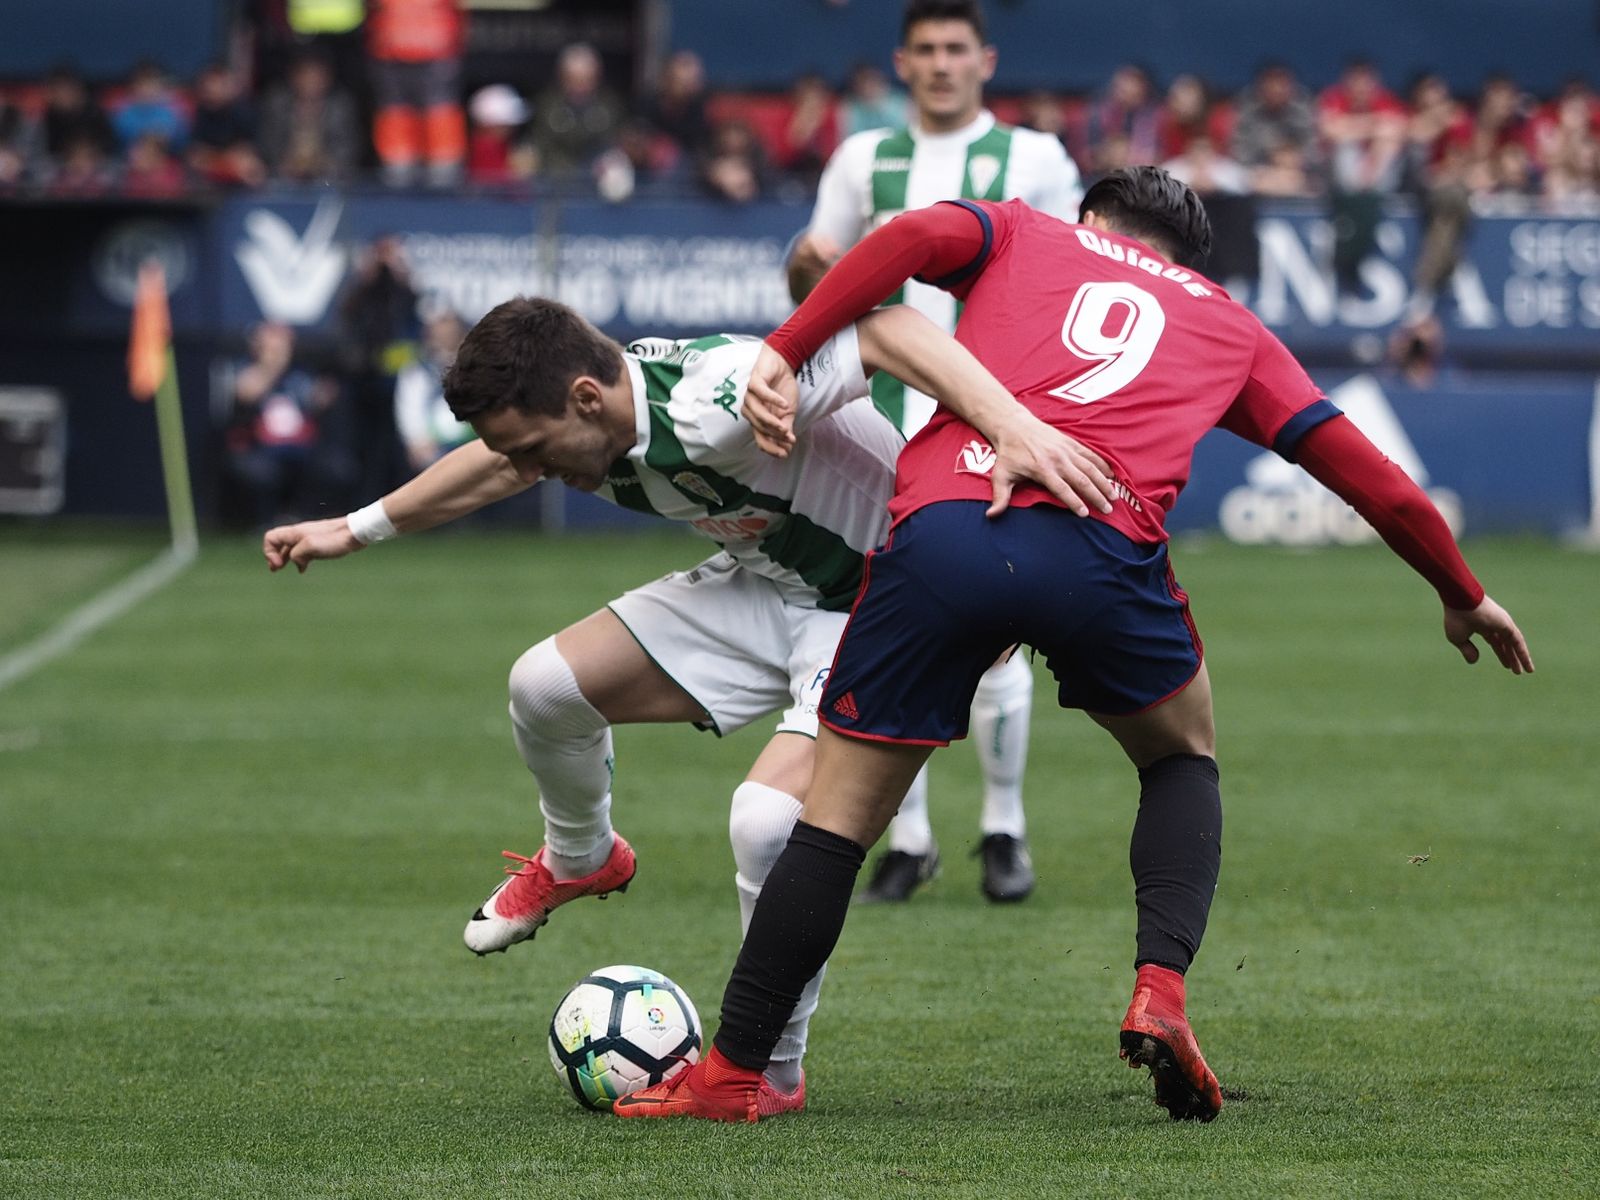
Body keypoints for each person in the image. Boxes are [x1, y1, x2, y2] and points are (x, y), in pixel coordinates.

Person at [607, 167, 1533, 1125]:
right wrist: (1460, 594)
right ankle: (1159, 993)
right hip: (1102, 544)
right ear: (1186, 257)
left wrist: (789, 346)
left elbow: (904, 243)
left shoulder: (1021, 231)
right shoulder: (1230, 325)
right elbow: (1372, 479)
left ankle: (732, 1073)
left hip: (948, 530)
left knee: (836, 820)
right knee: (1181, 756)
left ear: (1091, 221)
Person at [261, 296, 1114, 1117]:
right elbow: (491, 462)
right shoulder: (591, 421)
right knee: (544, 687)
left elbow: (888, 330)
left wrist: (1012, 431)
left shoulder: (722, 396)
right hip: (775, 583)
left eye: (532, 449)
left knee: (765, 823)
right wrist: (356, 528)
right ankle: (581, 856)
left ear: (585, 398)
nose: (526, 470)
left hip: (884, 607)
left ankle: (768, 1072)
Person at [784, 0, 1084, 905]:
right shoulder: (861, 158)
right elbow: (816, 279)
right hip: (874, 426)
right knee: (885, 630)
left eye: (958, 48)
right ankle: (908, 841)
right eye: (927, 50)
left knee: (997, 636)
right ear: (902, 63)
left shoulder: (1036, 158)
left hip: (991, 424)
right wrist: (809, 267)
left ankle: (1003, 828)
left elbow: (1069, 275)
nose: (943, 64)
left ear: (985, 59)